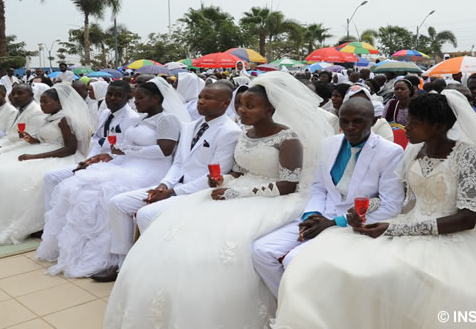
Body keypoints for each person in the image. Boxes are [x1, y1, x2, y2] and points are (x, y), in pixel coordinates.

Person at [273, 91, 476, 329]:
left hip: (449, 236)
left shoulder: (469, 156)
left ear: (437, 126)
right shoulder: (414, 150)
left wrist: (398, 228)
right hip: (404, 225)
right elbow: (404, 202)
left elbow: (467, 219)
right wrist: (363, 208)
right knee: (331, 265)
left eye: (414, 122)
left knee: (396, 278)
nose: (406, 127)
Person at [103, 72, 333, 329]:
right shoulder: (246, 134)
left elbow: (288, 184)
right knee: (177, 233)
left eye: (250, 106)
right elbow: (238, 171)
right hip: (236, 190)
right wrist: (222, 180)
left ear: (269, 109)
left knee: (220, 248)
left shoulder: (288, 139)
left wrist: (235, 192)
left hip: (271, 198)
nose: (242, 111)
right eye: (241, 105)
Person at [252, 97, 404, 297]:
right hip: (320, 215)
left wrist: (334, 223)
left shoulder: (390, 152)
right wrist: (311, 216)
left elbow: (391, 206)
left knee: (295, 260)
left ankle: (303, 310)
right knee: (261, 251)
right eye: (344, 121)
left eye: (358, 121)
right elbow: (319, 188)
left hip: (353, 225)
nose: (350, 127)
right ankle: (288, 306)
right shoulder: (329, 144)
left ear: (373, 121)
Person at [94, 82, 242, 282]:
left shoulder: (229, 131)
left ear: (225, 103)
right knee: (117, 203)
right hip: (175, 186)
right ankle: (123, 262)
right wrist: (164, 185)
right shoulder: (190, 126)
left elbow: (218, 173)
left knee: (146, 214)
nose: (201, 102)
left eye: (208, 98)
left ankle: (153, 267)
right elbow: (179, 162)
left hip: (200, 191)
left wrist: (173, 193)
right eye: (200, 97)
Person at [37, 80, 182, 278]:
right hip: (129, 164)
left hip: (151, 169)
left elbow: (164, 151)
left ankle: (114, 258)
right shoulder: (142, 119)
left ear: (156, 99)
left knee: (101, 192)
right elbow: (122, 149)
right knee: (79, 187)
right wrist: (108, 156)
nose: (135, 102)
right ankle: (80, 250)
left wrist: (127, 150)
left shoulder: (167, 119)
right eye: (135, 98)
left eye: (140, 98)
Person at [0, 83, 94, 244]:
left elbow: (70, 149)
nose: (42, 105)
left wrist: (36, 156)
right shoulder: (49, 118)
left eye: (46, 102)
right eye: (42, 101)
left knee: (18, 178)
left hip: (59, 157)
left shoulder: (65, 120)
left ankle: (29, 221)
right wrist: (29, 138)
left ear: (59, 103)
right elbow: (44, 138)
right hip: (42, 150)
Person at [41, 81, 140, 213]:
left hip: (113, 164)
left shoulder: (132, 118)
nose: (112, 98)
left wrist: (96, 163)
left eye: (118, 95)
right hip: (94, 161)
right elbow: (96, 140)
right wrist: (88, 160)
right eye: (109, 94)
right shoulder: (105, 113)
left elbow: (126, 151)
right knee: (50, 177)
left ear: (128, 97)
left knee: (78, 187)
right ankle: (51, 216)